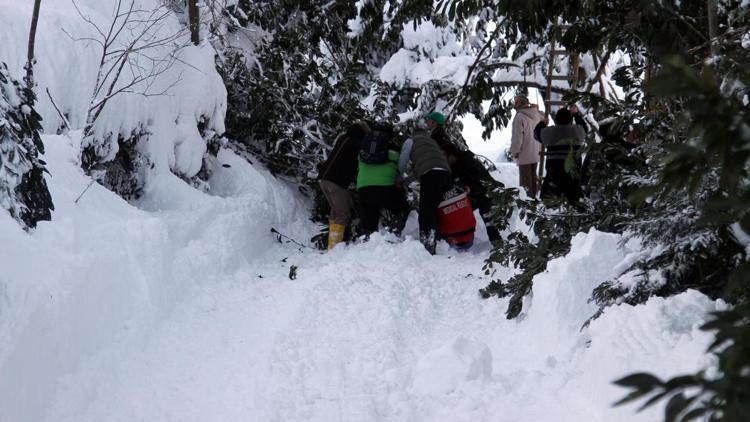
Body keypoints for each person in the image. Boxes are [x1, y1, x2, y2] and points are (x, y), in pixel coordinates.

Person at [397, 126, 452, 254]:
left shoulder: (410, 141)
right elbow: (422, 169)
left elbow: (403, 161)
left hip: (430, 174)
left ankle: (428, 242)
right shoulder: (431, 142)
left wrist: (399, 177)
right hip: (446, 173)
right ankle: (442, 237)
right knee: (439, 207)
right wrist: (407, 180)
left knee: (426, 210)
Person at [319, 121, 369, 249]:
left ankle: (332, 242)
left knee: (335, 211)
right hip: (337, 181)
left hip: (324, 178)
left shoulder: (343, 138)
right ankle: (334, 247)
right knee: (343, 214)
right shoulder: (358, 144)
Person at [356, 124, 409, 238]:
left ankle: (367, 241)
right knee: (402, 209)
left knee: (369, 220)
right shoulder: (393, 148)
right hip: (386, 187)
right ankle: (393, 234)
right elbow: (401, 166)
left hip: (363, 188)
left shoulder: (364, 148)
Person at [441, 143, 502, 243]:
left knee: (488, 217)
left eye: (444, 155)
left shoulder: (468, 161)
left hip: (486, 193)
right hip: (471, 196)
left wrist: (469, 189)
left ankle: (497, 243)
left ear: (451, 154)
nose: (444, 159)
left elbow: (483, 183)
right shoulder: (452, 167)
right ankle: (459, 239)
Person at [539, 108, 586, 203]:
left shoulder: (550, 132)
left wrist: (543, 123)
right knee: (574, 202)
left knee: (552, 205)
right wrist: (576, 115)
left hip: (554, 176)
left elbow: (536, 133)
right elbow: (585, 128)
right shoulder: (578, 131)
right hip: (573, 177)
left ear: (556, 120)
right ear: (570, 120)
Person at [510, 95, 545, 198]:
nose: (514, 104)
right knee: (533, 179)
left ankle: (527, 205)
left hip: (524, 154)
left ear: (521, 103)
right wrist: (536, 109)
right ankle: (534, 201)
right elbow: (545, 119)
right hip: (535, 152)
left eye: (516, 102)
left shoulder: (520, 116)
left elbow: (517, 137)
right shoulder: (536, 113)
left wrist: (515, 152)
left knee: (525, 183)